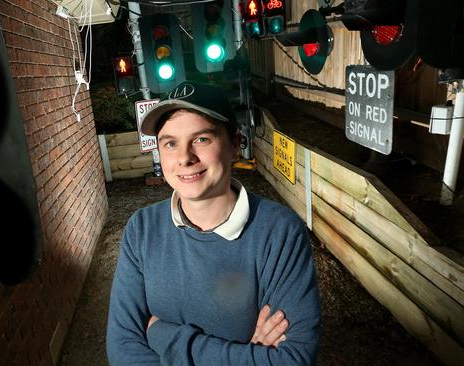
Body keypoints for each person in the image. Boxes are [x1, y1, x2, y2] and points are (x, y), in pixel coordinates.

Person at [106, 81, 321, 365]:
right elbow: (123, 351)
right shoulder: (142, 230)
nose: (184, 158)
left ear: (234, 144)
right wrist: (249, 355)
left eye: (201, 139)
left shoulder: (279, 233)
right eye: (170, 143)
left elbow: (292, 359)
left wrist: (162, 335)